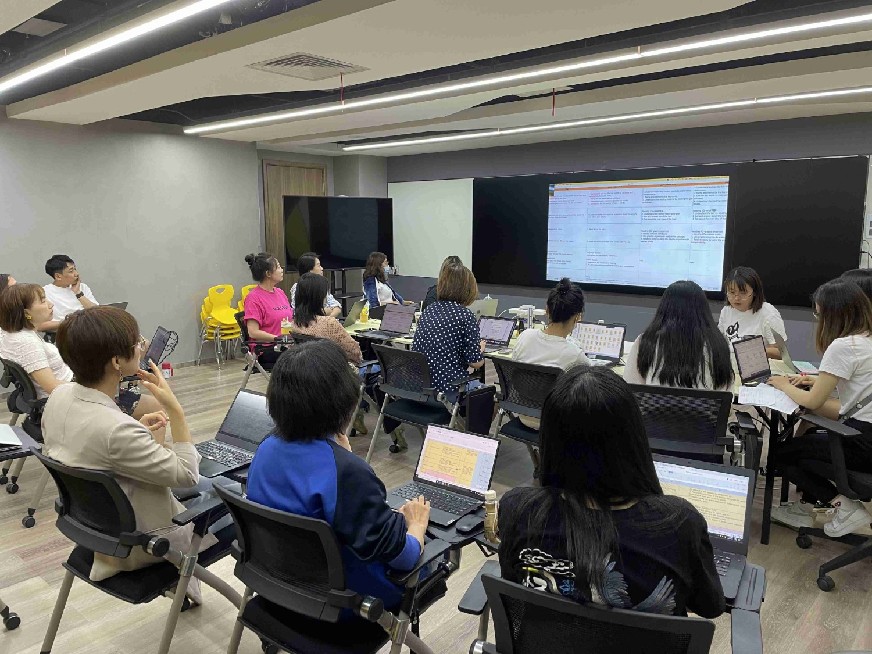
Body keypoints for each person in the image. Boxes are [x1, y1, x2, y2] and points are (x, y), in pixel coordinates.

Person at [497, 366, 725, 618]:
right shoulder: (678, 523)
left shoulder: (518, 509)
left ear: (549, 439)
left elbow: (513, 582)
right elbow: (710, 607)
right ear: (634, 436)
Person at [41, 307, 224, 595]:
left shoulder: (59, 396)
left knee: (213, 485)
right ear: (116, 361)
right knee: (231, 496)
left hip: (95, 525)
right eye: (137, 343)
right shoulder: (116, 429)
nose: (141, 347)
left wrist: (138, 432)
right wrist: (175, 410)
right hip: (143, 542)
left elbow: (93, 448)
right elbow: (187, 474)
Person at [245, 340, 431, 615]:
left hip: (279, 588)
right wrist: (416, 524)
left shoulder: (266, 447)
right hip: (343, 607)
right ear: (344, 402)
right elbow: (404, 559)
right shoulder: (346, 473)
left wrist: (342, 456)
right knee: (431, 558)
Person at [767, 278, 872, 536]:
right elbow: (858, 381)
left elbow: (813, 401)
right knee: (803, 443)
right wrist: (814, 380)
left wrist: (782, 384)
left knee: (782, 454)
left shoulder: (843, 346)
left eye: (818, 313)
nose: (818, 319)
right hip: (865, 435)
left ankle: (844, 507)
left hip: (861, 441)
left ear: (834, 314)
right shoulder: (866, 339)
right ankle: (812, 506)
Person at [0, 284, 160, 417]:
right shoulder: (26, 342)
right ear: (26, 313)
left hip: (72, 387)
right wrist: (96, 390)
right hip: (71, 400)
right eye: (43, 301)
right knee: (155, 407)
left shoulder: (9, 334)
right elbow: (52, 387)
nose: (50, 304)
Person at [625, 280, 734, 391]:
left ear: (664, 308)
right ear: (704, 309)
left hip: (657, 403)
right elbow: (725, 392)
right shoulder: (718, 344)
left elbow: (631, 388)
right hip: (704, 403)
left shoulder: (646, 341)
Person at [513, 277, 591, 428]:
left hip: (522, 414)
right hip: (555, 424)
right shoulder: (575, 355)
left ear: (547, 310)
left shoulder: (525, 336)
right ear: (578, 317)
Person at [412, 262, 484, 403]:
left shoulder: (429, 310)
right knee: (490, 396)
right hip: (448, 389)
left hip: (418, 388)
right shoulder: (465, 316)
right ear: (468, 289)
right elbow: (475, 363)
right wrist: (480, 349)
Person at [293, 273, 362, 365]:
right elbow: (355, 352)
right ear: (318, 297)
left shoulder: (295, 322)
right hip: (336, 370)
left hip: (309, 369)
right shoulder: (329, 323)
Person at [718, 266, 786, 359]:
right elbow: (719, 343)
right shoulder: (726, 311)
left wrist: (751, 349)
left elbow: (780, 353)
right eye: (732, 293)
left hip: (757, 363)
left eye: (743, 293)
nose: (736, 298)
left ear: (754, 292)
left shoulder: (768, 313)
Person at [242, 253, 292, 367]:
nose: (282, 270)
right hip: (266, 349)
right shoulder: (253, 298)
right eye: (278, 267)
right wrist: (278, 339)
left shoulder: (280, 292)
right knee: (302, 357)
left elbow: (288, 321)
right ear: (268, 273)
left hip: (286, 344)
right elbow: (253, 332)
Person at [39, 254, 99, 332]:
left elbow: (97, 312)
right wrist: (69, 322)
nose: (76, 274)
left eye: (75, 269)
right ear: (58, 276)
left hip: (88, 331)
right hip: (63, 334)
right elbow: (39, 325)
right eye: (71, 271)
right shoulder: (44, 292)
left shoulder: (82, 287)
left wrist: (78, 293)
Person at [290, 252, 342, 319]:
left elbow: (337, 307)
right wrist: (327, 311)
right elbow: (305, 313)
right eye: (318, 265)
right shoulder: (298, 287)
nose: (322, 268)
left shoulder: (321, 285)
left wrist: (328, 319)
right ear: (309, 270)